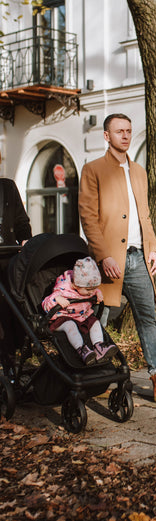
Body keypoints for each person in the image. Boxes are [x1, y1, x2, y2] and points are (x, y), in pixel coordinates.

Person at [78, 113, 156, 401]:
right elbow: (89, 218)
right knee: (97, 320)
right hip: (110, 262)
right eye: (119, 131)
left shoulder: (139, 171)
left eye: (129, 130)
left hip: (137, 257)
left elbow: (145, 215)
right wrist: (104, 256)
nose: (125, 136)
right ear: (107, 136)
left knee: (147, 318)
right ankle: (94, 378)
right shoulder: (93, 170)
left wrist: (153, 248)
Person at [42, 256, 117, 365]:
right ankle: (81, 350)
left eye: (94, 289)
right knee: (70, 325)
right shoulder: (62, 290)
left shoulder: (88, 288)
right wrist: (56, 299)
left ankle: (99, 346)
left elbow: (92, 289)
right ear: (76, 284)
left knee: (95, 322)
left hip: (82, 317)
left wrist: (97, 293)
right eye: (88, 290)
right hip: (62, 319)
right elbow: (46, 304)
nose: (91, 292)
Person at [0, 151, 32, 377]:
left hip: (7, 259)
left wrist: (26, 239)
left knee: (10, 312)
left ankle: (11, 362)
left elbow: (21, 220)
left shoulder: (7, 188)